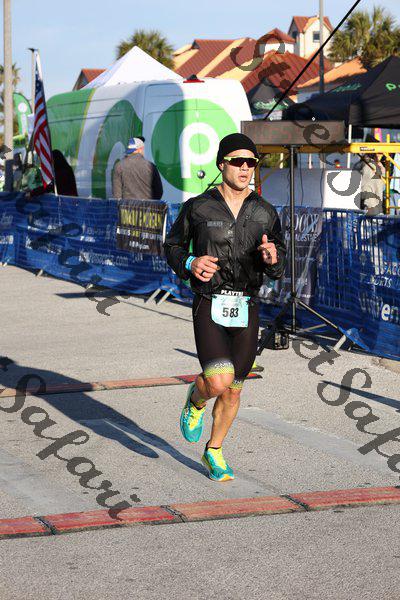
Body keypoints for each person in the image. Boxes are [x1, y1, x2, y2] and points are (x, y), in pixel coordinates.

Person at [164, 133, 286, 482]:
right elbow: (172, 246)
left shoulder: (265, 211)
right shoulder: (199, 207)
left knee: (234, 388)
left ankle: (214, 450)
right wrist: (190, 261)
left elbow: (278, 260)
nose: (245, 168)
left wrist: (274, 258)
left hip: (247, 303)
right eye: (237, 161)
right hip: (210, 301)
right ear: (222, 164)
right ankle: (196, 399)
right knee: (219, 380)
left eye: (251, 162)